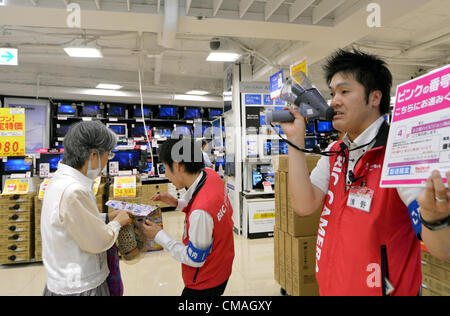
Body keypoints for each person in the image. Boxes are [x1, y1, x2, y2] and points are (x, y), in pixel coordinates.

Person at [280, 49, 449, 296]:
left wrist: (436, 219)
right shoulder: (335, 151)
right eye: (332, 93)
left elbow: (442, 250)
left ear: (374, 97)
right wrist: (296, 141)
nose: (334, 101)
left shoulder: (400, 152)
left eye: (344, 91)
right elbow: (304, 205)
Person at [41, 121, 132, 296]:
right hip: (81, 285)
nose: (107, 161)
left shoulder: (61, 180)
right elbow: (98, 242)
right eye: (107, 154)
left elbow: (73, 221)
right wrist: (117, 223)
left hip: (62, 279)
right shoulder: (74, 190)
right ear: (93, 155)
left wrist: (106, 217)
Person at [141, 137, 234, 296]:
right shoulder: (210, 175)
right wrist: (177, 203)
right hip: (222, 264)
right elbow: (210, 212)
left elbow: (195, 259)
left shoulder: (200, 213)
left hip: (205, 281)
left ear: (177, 166)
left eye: (165, 168)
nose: (166, 175)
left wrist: (159, 235)